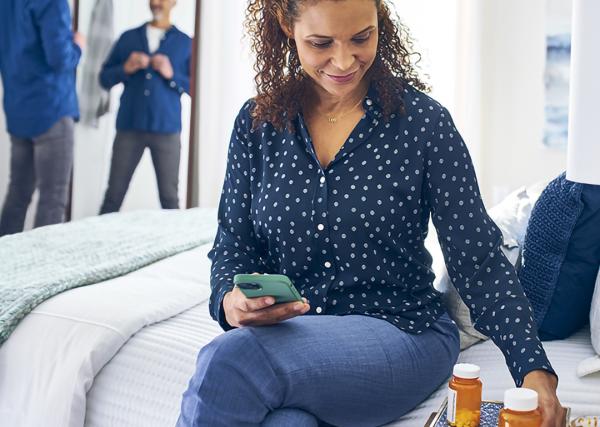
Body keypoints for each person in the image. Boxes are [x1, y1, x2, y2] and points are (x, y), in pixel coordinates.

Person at [177, 0, 566, 426]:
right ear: (287, 27)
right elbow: (233, 245)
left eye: (362, 37)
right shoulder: (257, 124)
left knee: (231, 360)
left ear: (381, 21)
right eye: (321, 42)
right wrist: (230, 301)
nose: (344, 60)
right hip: (294, 340)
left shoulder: (424, 124)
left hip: (401, 332)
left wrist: (534, 370)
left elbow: (480, 262)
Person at [0, 0, 84, 236]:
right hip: (52, 110)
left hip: (18, 110)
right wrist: (78, 46)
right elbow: (60, 59)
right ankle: (44, 272)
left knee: (17, 194)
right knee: (53, 198)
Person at [98, 0, 191, 214]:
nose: (156, 3)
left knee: (170, 199)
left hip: (167, 130)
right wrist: (125, 68)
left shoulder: (186, 43)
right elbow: (104, 79)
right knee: (113, 197)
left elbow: (197, 88)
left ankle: (173, 245)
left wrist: (171, 75)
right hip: (129, 127)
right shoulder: (128, 38)